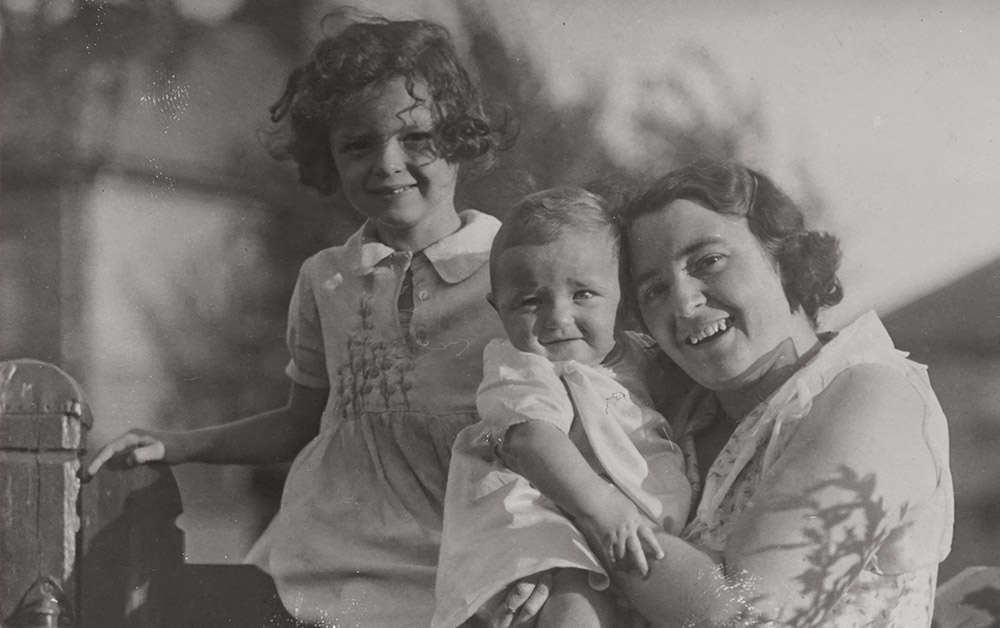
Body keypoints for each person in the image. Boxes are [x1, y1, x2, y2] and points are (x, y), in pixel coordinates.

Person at [85, 12, 519, 627]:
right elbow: (303, 420)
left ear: (460, 139)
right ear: (329, 158)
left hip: (474, 546)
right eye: (358, 145)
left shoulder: (512, 270)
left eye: (416, 137)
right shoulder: (328, 279)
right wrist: (180, 444)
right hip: (342, 554)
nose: (388, 162)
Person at [591, 159, 953, 627]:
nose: (684, 301)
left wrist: (583, 505)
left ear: (783, 257)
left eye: (708, 262)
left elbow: (749, 618)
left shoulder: (870, 393)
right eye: (655, 290)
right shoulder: (675, 416)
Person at [433, 187, 692, 628]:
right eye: (530, 301)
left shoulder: (642, 358)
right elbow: (533, 440)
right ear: (499, 308)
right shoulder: (525, 366)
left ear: (623, 296)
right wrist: (604, 508)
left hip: (618, 532)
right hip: (545, 528)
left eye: (583, 294)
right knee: (574, 614)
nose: (558, 318)